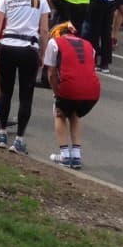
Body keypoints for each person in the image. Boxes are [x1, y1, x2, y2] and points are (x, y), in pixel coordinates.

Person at [0, 0, 51, 155]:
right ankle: (19, 139)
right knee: (26, 94)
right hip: (29, 47)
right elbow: (44, 30)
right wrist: (43, 54)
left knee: (6, 91)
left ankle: (1, 133)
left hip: (8, 45)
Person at [44, 22, 101, 170]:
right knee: (74, 113)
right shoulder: (88, 44)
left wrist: (56, 93)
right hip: (93, 89)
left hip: (70, 86)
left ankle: (64, 155)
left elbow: (51, 73)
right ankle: (76, 155)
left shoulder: (54, 42)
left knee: (60, 113)